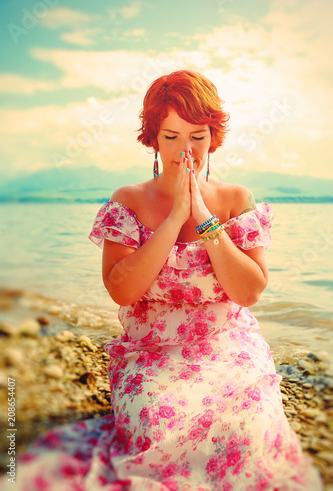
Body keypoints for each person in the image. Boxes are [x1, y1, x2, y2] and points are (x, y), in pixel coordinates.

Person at [1, 70, 322, 490]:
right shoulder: (128, 201)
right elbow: (122, 289)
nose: (184, 150)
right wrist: (173, 220)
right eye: (171, 137)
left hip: (226, 346)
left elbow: (250, 291)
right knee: (158, 427)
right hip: (150, 351)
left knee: (244, 427)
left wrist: (205, 220)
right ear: (152, 138)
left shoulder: (237, 200)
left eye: (197, 136)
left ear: (214, 137)